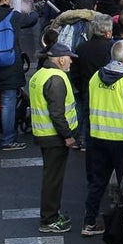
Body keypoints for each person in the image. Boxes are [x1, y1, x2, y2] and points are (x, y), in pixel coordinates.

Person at [83, 39, 123, 236]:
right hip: (122, 141)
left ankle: (89, 222)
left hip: (97, 137)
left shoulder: (95, 77)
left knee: (97, 182)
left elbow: (87, 106)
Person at [28, 41, 80, 233]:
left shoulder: (40, 74)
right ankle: (49, 218)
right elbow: (57, 113)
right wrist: (68, 136)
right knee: (53, 179)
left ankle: (51, 214)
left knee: (51, 176)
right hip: (54, 137)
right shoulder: (56, 78)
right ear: (60, 59)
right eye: (69, 58)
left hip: (44, 134)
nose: (71, 62)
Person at [0, 0, 38, 151]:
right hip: (10, 67)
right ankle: (8, 140)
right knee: (8, 103)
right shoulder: (13, 16)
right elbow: (32, 19)